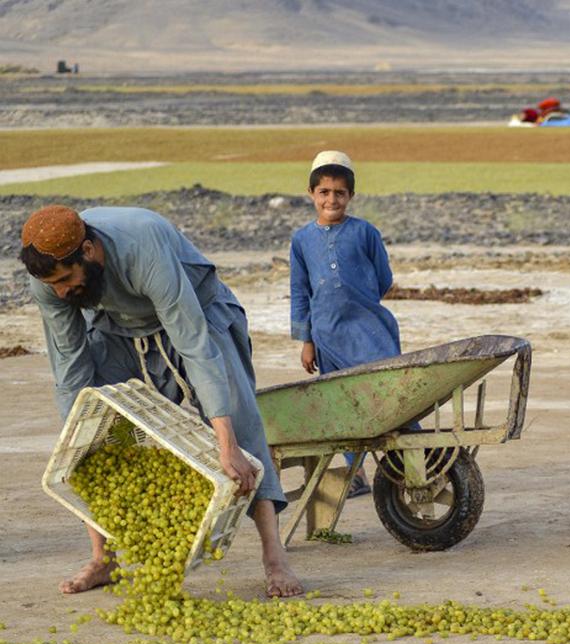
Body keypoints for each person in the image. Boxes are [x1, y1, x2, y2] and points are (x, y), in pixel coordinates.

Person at [21, 204, 303, 597]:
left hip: (197, 314)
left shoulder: (142, 245)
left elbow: (193, 343)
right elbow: (70, 368)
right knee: (97, 430)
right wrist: (77, 443)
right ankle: (104, 558)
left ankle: (275, 559)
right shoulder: (51, 284)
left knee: (238, 421)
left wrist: (226, 444)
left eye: (67, 279)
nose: (62, 291)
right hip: (118, 329)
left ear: (89, 250)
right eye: (53, 286)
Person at [290, 151, 400, 497]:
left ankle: (405, 464)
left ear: (350, 196)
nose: (331, 199)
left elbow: (383, 278)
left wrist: (359, 302)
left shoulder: (365, 232)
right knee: (343, 404)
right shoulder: (302, 241)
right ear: (311, 194)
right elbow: (300, 291)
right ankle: (356, 474)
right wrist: (307, 339)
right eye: (324, 192)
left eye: (339, 193)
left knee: (392, 397)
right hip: (327, 335)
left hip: (370, 332)